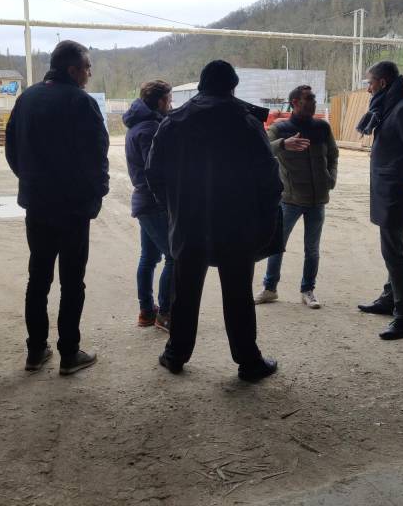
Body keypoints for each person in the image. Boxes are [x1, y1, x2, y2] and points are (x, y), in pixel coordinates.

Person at [146, 60, 283, 381]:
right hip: (236, 225)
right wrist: (262, 218)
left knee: (184, 293)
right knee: (238, 294)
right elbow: (270, 179)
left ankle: (175, 355)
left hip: (188, 224)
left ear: (201, 86)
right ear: (232, 87)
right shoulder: (246, 123)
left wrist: (174, 208)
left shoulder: (173, 122)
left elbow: (153, 174)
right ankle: (248, 362)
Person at [5, 40, 109, 375]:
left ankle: (36, 351)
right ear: (73, 69)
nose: (89, 73)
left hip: (37, 204)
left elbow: (12, 149)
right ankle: (69, 354)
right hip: (73, 208)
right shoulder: (81, 102)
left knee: (38, 278)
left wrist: (31, 180)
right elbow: (97, 155)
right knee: (72, 282)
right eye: (87, 67)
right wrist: (97, 195)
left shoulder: (27, 98)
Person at [356, 61, 403, 340]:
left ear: (383, 83)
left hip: (397, 194)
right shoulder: (389, 106)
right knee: (395, 250)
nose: (368, 89)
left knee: (394, 255)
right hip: (388, 190)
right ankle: (389, 299)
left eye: (370, 83)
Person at [255, 85, 338, 309]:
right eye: (308, 99)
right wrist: (283, 143)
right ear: (294, 103)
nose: (313, 103)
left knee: (312, 249)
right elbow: (261, 150)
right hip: (290, 199)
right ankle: (270, 288)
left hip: (317, 200)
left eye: (314, 99)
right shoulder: (280, 128)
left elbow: (333, 154)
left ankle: (308, 290)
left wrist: (331, 178)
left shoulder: (322, 127)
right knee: (277, 246)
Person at [123, 80, 174, 331]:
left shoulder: (137, 125)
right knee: (175, 256)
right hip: (154, 202)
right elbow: (155, 170)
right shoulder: (151, 128)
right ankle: (165, 313)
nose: (171, 105)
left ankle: (146, 311)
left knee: (149, 257)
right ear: (161, 101)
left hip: (144, 200)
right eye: (169, 100)